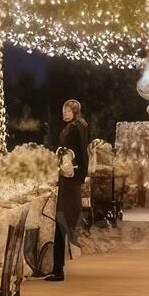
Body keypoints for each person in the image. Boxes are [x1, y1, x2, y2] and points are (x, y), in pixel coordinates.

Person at [50, 98, 89, 282]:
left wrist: (68, 163)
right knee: (62, 223)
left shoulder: (74, 128)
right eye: (63, 110)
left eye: (68, 111)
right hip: (70, 180)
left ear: (75, 112)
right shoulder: (79, 126)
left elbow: (78, 153)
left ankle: (58, 270)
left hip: (69, 181)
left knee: (61, 222)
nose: (64, 113)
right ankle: (58, 268)